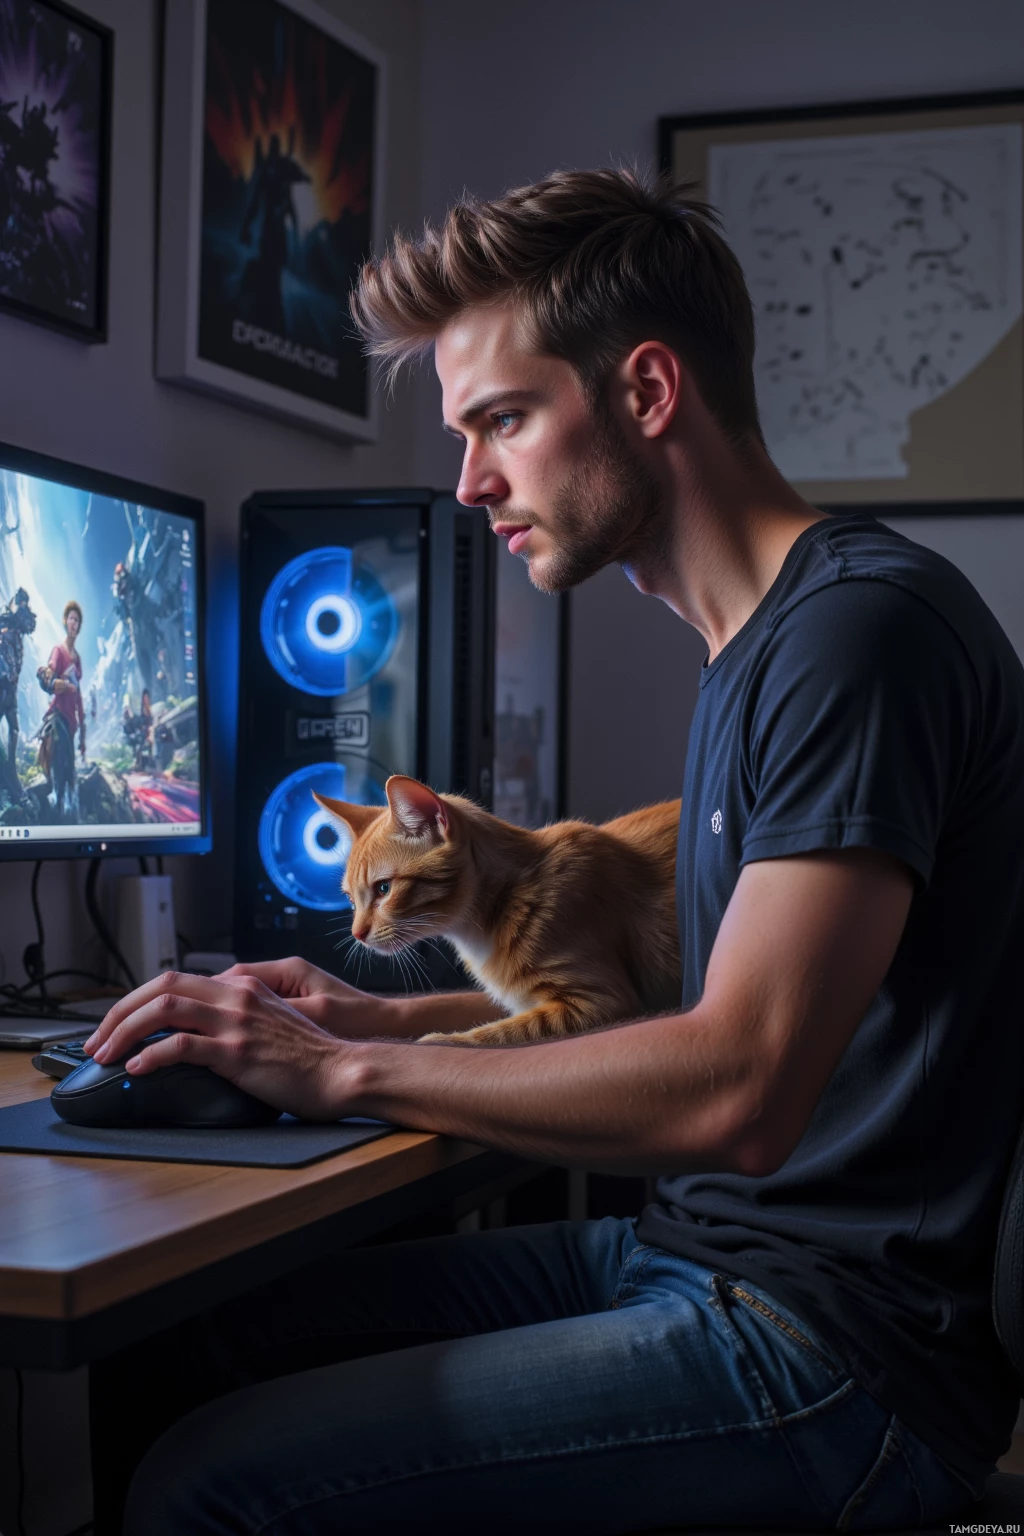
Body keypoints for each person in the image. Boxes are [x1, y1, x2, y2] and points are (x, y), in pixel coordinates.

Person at [87, 169, 1024, 1534]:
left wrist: (347, 1067)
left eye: (504, 423)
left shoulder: (855, 639)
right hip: (695, 1254)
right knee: (187, 1346)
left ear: (647, 394)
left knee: (206, 1486)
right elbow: (668, 1010)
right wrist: (370, 1010)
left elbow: (744, 1086)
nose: (469, 484)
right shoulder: (754, 649)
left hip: (838, 1354)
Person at [37, 598, 86, 816]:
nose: (74, 623)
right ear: (65, 621)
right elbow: (51, 670)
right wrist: (51, 678)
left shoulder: (78, 660)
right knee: (59, 763)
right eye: (71, 618)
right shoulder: (58, 650)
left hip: (72, 723)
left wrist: (83, 732)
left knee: (69, 775)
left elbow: (79, 697)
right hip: (57, 719)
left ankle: (64, 813)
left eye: (77, 620)